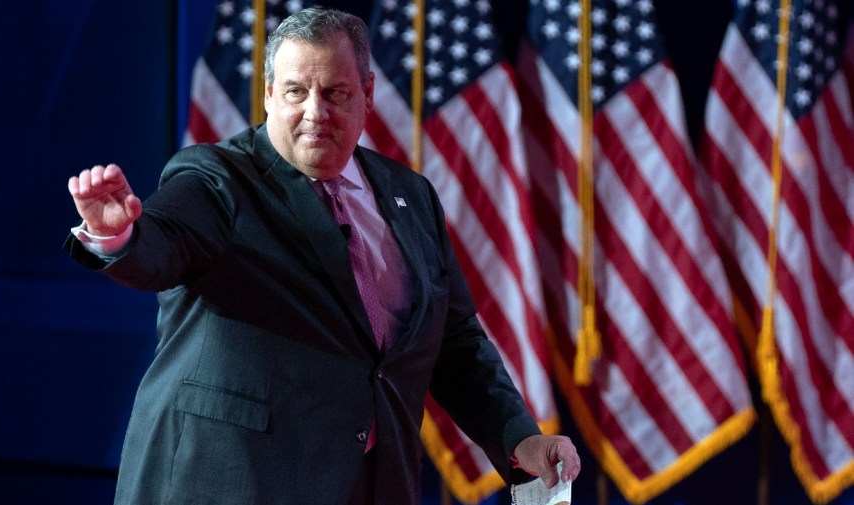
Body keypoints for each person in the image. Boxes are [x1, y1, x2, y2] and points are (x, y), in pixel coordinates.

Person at [65, 7, 580, 505]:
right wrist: (118, 239)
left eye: (335, 92)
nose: (316, 113)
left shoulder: (410, 194)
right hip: (234, 483)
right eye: (295, 91)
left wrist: (519, 439)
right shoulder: (215, 179)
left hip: (375, 486)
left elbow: (456, 343)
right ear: (268, 93)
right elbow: (164, 245)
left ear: (368, 94)